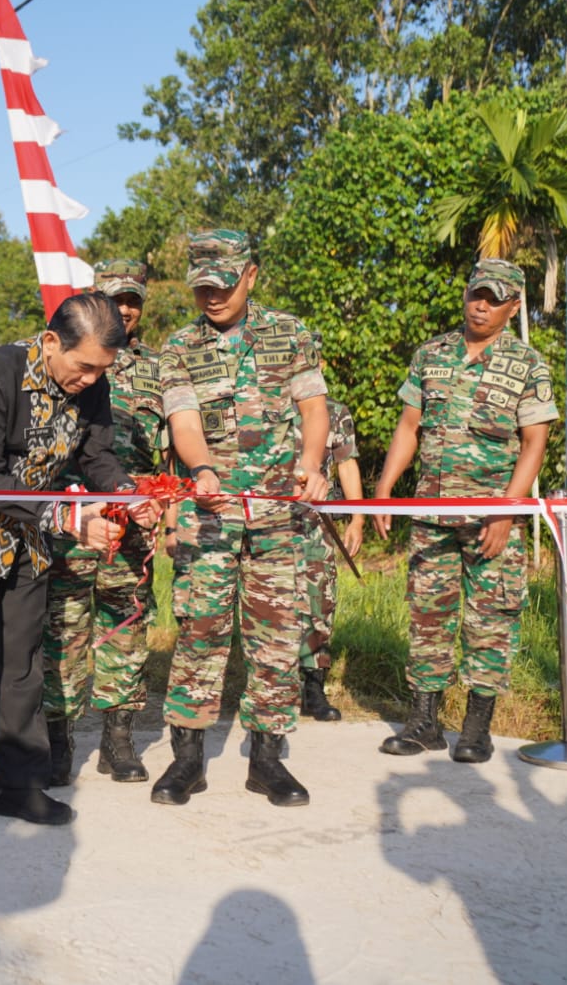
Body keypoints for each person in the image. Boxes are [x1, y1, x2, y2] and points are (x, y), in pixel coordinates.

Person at [0, 293, 162, 846]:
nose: (91, 380)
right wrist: (67, 515)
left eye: (102, 370)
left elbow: (97, 457)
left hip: (31, 536)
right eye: (84, 367)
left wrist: (128, 496)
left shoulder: (94, 381)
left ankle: (17, 784)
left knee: (26, 660)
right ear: (52, 341)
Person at [153, 229, 330, 809]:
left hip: (278, 512)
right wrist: (202, 468)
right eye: (202, 287)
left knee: (276, 637)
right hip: (210, 514)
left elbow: (313, 408)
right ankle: (187, 761)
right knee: (201, 629)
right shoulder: (178, 347)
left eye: (223, 284)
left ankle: (267, 761)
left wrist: (310, 464)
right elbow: (183, 423)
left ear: (250, 275)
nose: (213, 296)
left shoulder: (291, 333)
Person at [373, 258, 555, 763]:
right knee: (428, 617)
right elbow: (409, 427)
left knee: (490, 619)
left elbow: (533, 444)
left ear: (513, 306)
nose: (482, 304)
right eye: (478, 293)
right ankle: (424, 723)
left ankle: (476, 729)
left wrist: (506, 511)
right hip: (431, 513)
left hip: (491, 517)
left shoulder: (528, 364)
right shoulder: (431, 355)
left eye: (495, 298)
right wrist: (386, 488)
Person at [41, 259, 166, 786]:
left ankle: (119, 737)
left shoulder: (162, 368)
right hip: (70, 516)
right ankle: (58, 739)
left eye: (134, 299)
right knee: (62, 627)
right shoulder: (69, 354)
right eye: (116, 298)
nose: (127, 308)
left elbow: (173, 445)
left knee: (125, 624)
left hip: (130, 519)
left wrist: (167, 504)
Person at [295, 394, 365, 722]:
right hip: (265, 524)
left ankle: (313, 687)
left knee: (319, 602)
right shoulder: (260, 403)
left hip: (314, 525)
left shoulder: (334, 411)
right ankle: (271, 687)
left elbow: (346, 462)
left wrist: (357, 517)